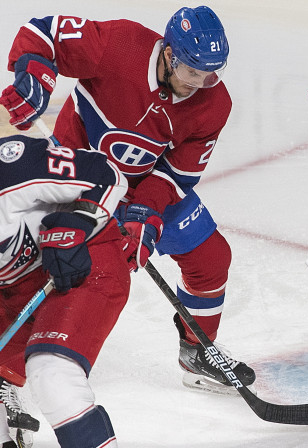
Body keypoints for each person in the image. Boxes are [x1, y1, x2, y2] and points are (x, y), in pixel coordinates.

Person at [0, 5, 255, 393]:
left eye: (210, 74)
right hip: (76, 176)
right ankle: (7, 377)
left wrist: (146, 214)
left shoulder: (214, 104)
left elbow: (177, 173)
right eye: (192, 72)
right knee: (60, 270)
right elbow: (44, 33)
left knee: (212, 257)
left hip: (142, 186)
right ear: (169, 54)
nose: (201, 83)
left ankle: (196, 352)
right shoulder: (119, 45)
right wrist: (33, 76)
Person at [0, 134, 129, 447]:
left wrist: (78, 221)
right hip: (16, 291)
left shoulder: (12, 168)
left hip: (83, 265)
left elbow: (104, 173)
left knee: (51, 372)